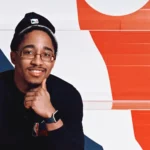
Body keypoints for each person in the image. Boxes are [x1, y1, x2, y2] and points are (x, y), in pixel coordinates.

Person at [0, 12, 84, 150]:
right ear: (13, 57)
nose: (37, 61)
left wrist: (50, 115)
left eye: (46, 54)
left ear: (53, 61)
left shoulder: (68, 95)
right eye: (28, 52)